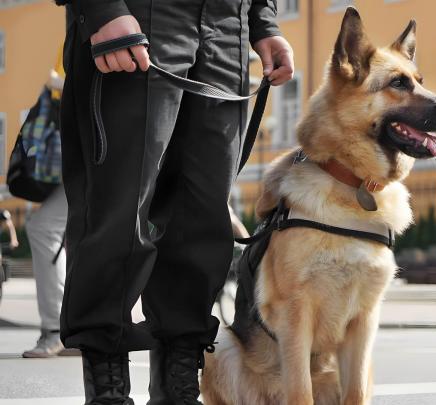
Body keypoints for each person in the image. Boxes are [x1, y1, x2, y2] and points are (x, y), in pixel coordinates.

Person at [57, 0, 294, 403]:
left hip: (227, 25)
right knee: (119, 212)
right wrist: (100, 8)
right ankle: (108, 389)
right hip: (139, 15)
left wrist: (261, 19)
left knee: (202, 216)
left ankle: (176, 388)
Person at [22, 66, 79, 359]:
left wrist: (56, 82)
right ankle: (83, 332)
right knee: (89, 236)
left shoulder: (91, 21)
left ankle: (59, 330)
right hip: (95, 149)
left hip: (94, 151)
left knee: (43, 227)